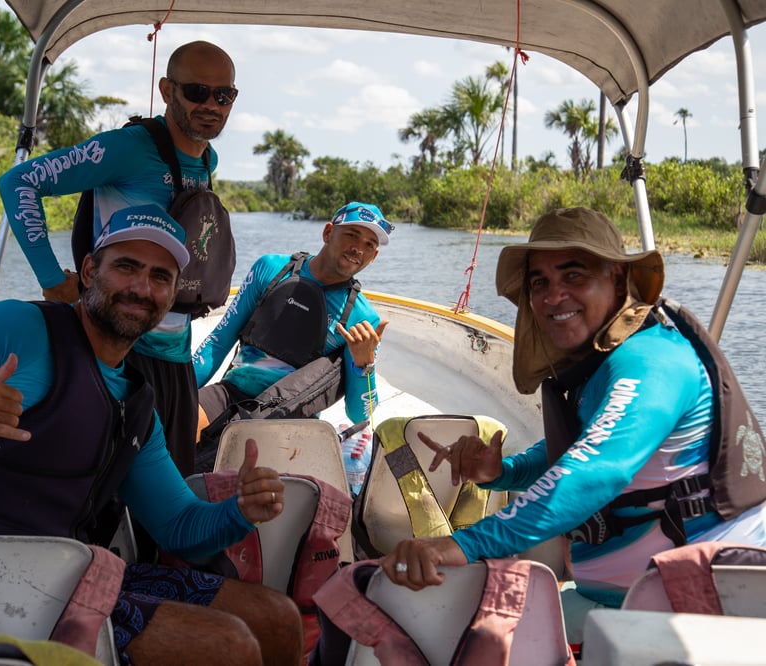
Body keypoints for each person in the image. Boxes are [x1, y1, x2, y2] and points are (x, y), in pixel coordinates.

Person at [0, 205, 303, 666]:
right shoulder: (15, 329)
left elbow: (180, 528)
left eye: (160, 277)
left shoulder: (137, 404)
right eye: (126, 267)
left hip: (69, 576)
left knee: (277, 616)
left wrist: (241, 512)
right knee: (227, 645)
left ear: (170, 295)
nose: (141, 288)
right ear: (88, 270)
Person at [310, 206, 766, 661]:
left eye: (574, 275)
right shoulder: (601, 365)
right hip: (617, 600)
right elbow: (576, 448)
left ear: (620, 281)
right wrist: (502, 472)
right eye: (540, 283)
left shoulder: (651, 363)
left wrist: (461, 544)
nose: (554, 296)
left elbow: (593, 471)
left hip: (696, 601)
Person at [0, 40, 238, 478]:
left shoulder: (208, 159)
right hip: (117, 346)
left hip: (174, 351)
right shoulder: (126, 148)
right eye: (197, 91)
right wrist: (52, 280)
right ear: (167, 90)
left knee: (174, 481)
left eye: (224, 96)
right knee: (109, 482)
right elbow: (19, 183)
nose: (212, 105)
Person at [192, 202, 391, 453]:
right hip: (231, 393)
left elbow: (360, 414)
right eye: (352, 235)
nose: (358, 248)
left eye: (369, 245)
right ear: (328, 233)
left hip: (292, 417)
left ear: (373, 257)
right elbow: (219, 340)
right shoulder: (271, 269)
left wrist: (364, 365)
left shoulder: (363, 319)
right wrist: (179, 392)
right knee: (174, 425)